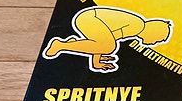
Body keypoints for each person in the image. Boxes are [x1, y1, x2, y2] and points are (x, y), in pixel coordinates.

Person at [43, 7, 171, 72]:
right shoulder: (138, 26)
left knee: (107, 46)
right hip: (89, 18)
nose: (155, 43)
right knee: (109, 46)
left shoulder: (138, 26)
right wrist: (99, 56)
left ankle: (74, 44)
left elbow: (102, 39)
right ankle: (60, 45)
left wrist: (96, 63)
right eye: (158, 39)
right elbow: (105, 42)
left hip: (90, 19)